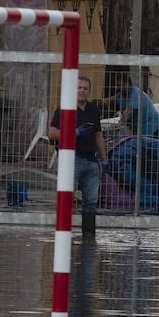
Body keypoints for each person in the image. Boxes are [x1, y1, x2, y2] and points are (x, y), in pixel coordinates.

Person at [48, 77, 109, 237]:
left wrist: (104, 159)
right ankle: (63, 236)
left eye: (85, 88)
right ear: (74, 90)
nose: (82, 90)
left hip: (91, 161)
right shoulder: (65, 109)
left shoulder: (93, 110)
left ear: (89, 91)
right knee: (67, 198)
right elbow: (52, 133)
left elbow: (98, 135)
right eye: (79, 87)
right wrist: (73, 133)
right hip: (71, 160)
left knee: (91, 201)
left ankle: (89, 237)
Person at [106, 74, 159, 138]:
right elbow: (109, 101)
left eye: (119, 85)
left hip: (153, 129)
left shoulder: (136, 94)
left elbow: (128, 113)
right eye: (116, 85)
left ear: (127, 84)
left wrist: (120, 123)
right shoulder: (121, 95)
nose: (116, 88)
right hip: (140, 131)